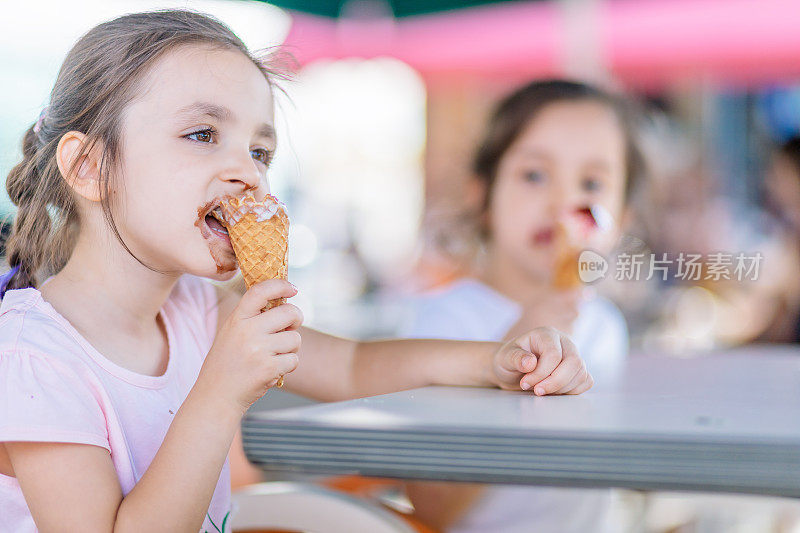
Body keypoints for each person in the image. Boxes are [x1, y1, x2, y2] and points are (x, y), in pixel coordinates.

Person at [0, 11, 593, 532]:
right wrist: (220, 393)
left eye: (259, 151)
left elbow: (355, 366)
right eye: (202, 135)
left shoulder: (196, 310)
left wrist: (493, 359)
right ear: (88, 166)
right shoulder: (34, 356)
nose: (249, 173)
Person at [401, 79, 644, 533]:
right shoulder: (443, 322)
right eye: (534, 175)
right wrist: (513, 351)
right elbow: (434, 505)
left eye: (591, 183)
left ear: (622, 219)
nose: (562, 203)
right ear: (483, 194)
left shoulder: (606, 327)